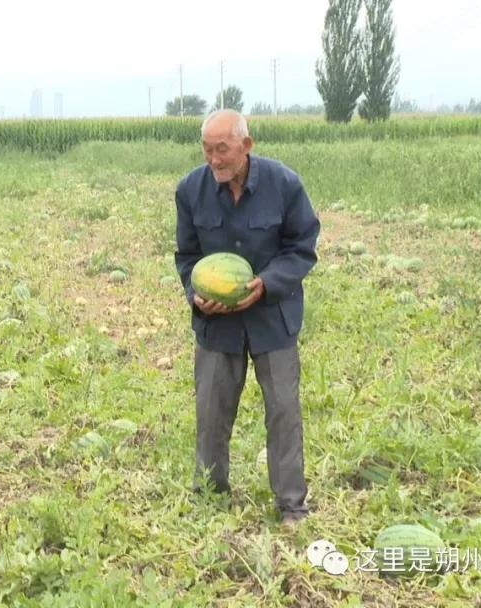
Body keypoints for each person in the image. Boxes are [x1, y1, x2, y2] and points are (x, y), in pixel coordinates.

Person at [173, 109, 320, 525]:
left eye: (223, 149)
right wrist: (196, 295)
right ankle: (209, 496)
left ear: (246, 145)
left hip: (272, 319)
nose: (214, 159)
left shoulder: (285, 185)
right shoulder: (190, 190)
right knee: (212, 411)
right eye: (207, 150)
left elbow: (301, 248)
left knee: (283, 412)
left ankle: (292, 505)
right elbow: (187, 257)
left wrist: (267, 282)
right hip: (217, 324)